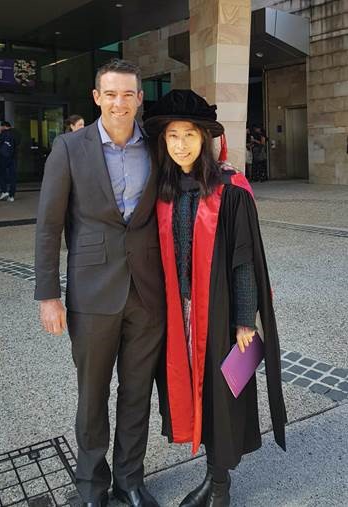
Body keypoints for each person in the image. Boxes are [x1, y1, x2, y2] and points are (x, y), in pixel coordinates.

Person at [143, 90, 287, 507]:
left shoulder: (230, 189)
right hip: (182, 316)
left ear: (205, 138)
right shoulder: (165, 188)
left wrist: (245, 320)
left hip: (220, 315)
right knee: (196, 397)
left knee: (221, 400)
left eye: (189, 134)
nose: (181, 144)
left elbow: (244, 261)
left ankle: (219, 487)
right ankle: (211, 477)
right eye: (172, 136)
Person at [34, 59, 166, 507]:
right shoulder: (70, 148)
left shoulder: (157, 147)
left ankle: (130, 479)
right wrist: (48, 294)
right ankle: (91, 487)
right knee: (92, 396)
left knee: (136, 393)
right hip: (91, 293)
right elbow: (49, 227)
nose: (119, 102)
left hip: (149, 292)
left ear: (139, 98)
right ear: (96, 97)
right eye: (111, 94)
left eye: (128, 94)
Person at [0, 121, 19, 202]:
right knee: (13, 177)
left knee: (0, 174)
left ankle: (4, 191)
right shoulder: (16, 133)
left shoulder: (3, 134)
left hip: (3, 158)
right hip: (13, 158)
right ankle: (11, 196)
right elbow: (17, 144)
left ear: (4, 126)